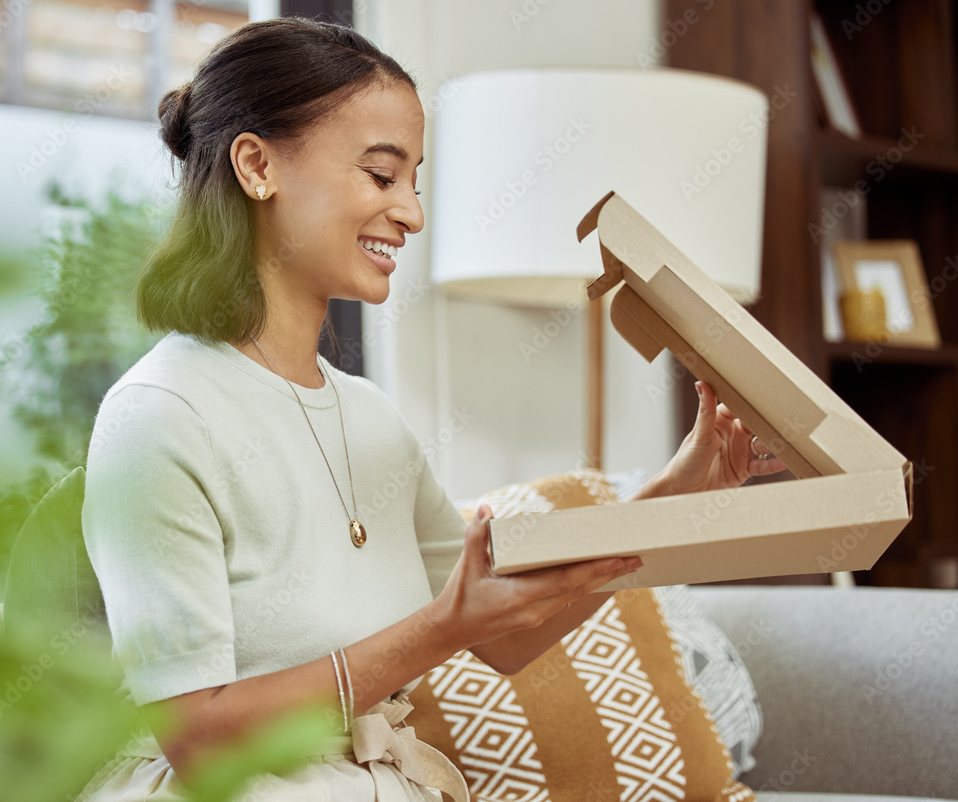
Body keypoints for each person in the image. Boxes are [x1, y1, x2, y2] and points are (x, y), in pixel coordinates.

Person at [78, 16, 785, 802]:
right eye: (382, 177)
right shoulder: (158, 415)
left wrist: (675, 497)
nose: (412, 214)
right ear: (256, 166)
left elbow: (511, 632)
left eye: (415, 181)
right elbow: (201, 744)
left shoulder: (371, 416)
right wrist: (440, 629)